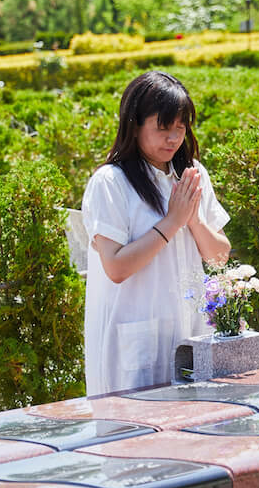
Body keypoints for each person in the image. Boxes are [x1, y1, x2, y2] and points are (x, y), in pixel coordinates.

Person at [81, 70, 231, 396]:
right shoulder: (110, 183)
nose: (173, 139)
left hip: (191, 331)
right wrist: (172, 221)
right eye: (163, 128)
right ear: (134, 124)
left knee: (198, 434)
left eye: (180, 128)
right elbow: (116, 268)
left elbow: (219, 256)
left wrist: (192, 220)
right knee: (135, 437)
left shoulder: (191, 174)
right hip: (134, 339)